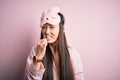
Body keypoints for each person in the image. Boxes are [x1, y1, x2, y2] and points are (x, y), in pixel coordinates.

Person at [24, 6, 84, 80]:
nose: (46, 32)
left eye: (52, 27)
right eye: (43, 27)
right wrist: (38, 58)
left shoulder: (73, 54)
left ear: (62, 29)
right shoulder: (35, 51)